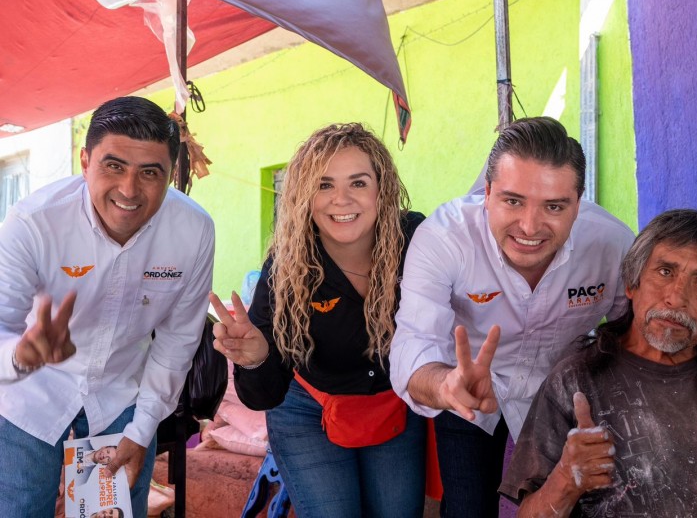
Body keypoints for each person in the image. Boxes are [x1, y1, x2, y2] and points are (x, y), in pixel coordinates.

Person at [389, 116, 635, 517]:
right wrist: (447, 385)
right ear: (486, 193)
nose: (530, 226)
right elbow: (412, 345)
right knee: (468, 508)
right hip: (466, 380)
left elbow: (635, 328)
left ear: (579, 201)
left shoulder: (612, 244)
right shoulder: (444, 237)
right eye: (513, 200)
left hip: (561, 389)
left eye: (554, 206)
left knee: (574, 508)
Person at [500, 209, 697, 517]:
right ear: (632, 284)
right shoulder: (575, 382)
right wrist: (567, 478)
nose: (677, 297)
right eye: (665, 271)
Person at [0, 96, 215, 517]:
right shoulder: (33, 223)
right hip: (29, 397)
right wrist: (21, 356)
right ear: (84, 161)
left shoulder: (193, 230)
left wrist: (142, 428)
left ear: (172, 174)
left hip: (123, 399)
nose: (129, 190)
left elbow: (177, 341)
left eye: (150, 173)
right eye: (113, 166)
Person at [211, 123, 427, 518]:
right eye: (324, 185)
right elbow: (264, 394)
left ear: (383, 188)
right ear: (305, 196)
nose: (341, 200)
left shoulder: (415, 239)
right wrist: (256, 357)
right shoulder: (287, 268)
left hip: (392, 404)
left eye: (358, 183)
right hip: (309, 412)